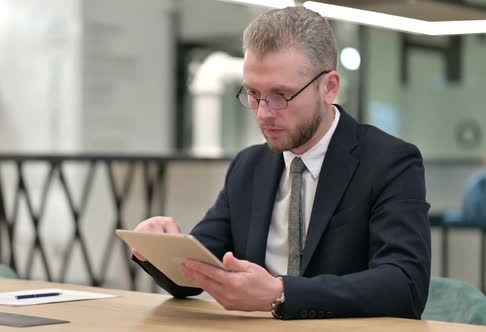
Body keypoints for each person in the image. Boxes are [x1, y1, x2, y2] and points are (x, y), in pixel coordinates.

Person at [131, 6, 431, 320]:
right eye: (253, 93)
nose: (263, 113)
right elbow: (198, 270)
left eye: (280, 95)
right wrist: (158, 249)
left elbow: (404, 285)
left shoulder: (389, 161)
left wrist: (280, 294)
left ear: (328, 87)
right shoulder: (249, 166)